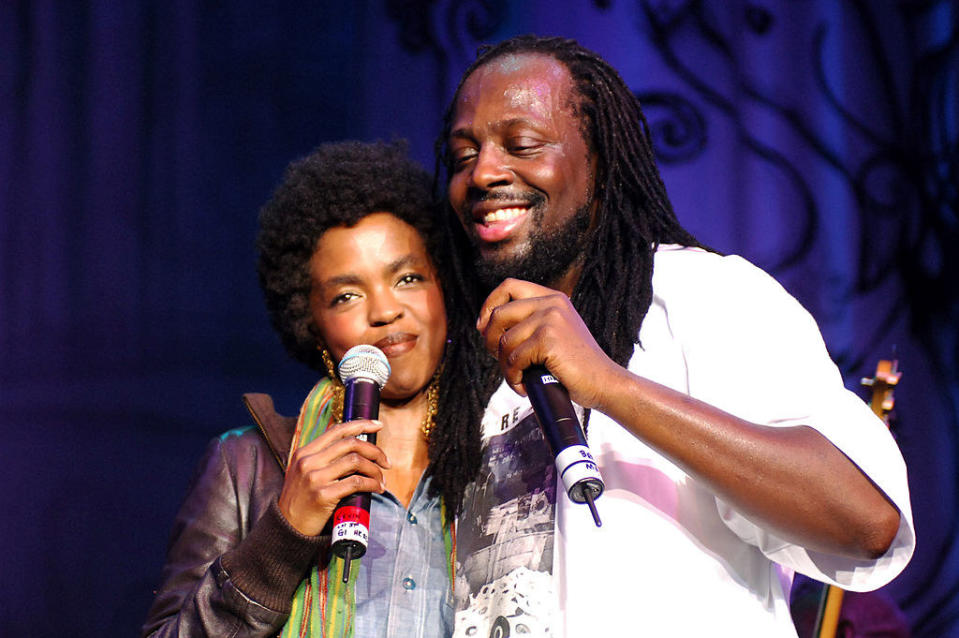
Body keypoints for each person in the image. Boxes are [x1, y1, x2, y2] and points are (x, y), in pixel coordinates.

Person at [436, 35, 915, 637]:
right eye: (461, 157)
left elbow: (866, 521)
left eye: (523, 144)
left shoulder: (702, 295)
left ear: (602, 163)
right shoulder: (458, 361)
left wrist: (610, 384)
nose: (483, 172)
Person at [142, 141, 486, 637]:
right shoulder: (246, 465)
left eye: (408, 278)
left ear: (443, 290)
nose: (385, 310)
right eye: (347, 295)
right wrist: (286, 532)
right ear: (314, 326)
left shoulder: (501, 455)